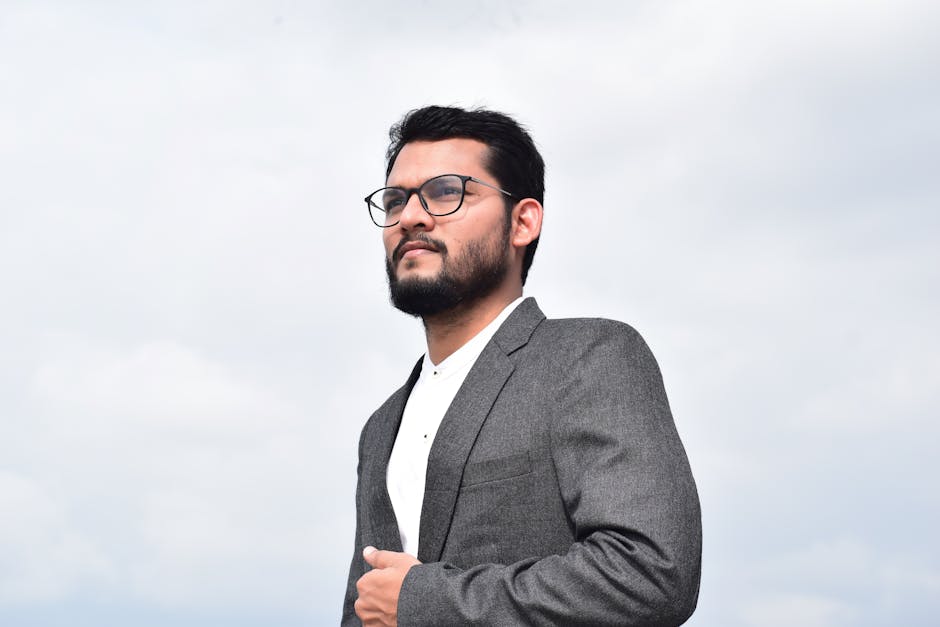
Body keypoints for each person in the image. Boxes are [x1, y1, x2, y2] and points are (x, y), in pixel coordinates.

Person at [343, 105, 701, 626]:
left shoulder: (587, 358)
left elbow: (651, 572)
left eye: (447, 192)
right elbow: (368, 607)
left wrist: (427, 600)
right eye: (397, 199)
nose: (412, 216)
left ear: (523, 221)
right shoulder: (381, 426)